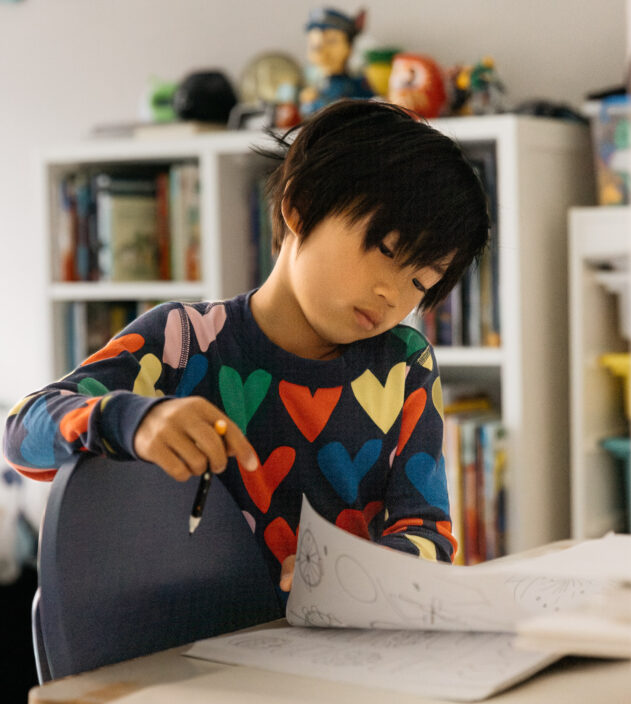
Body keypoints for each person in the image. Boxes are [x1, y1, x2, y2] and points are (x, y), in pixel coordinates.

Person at [3, 100, 489, 601]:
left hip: (340, 654)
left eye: (419, 280)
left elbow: (429, 536)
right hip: (190, 655)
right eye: (385, 250)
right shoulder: (182, 341)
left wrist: (357, 570)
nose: (394, 295)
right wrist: (134, 420)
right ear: (300, 206)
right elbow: (22, 431)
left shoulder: (404, 367)